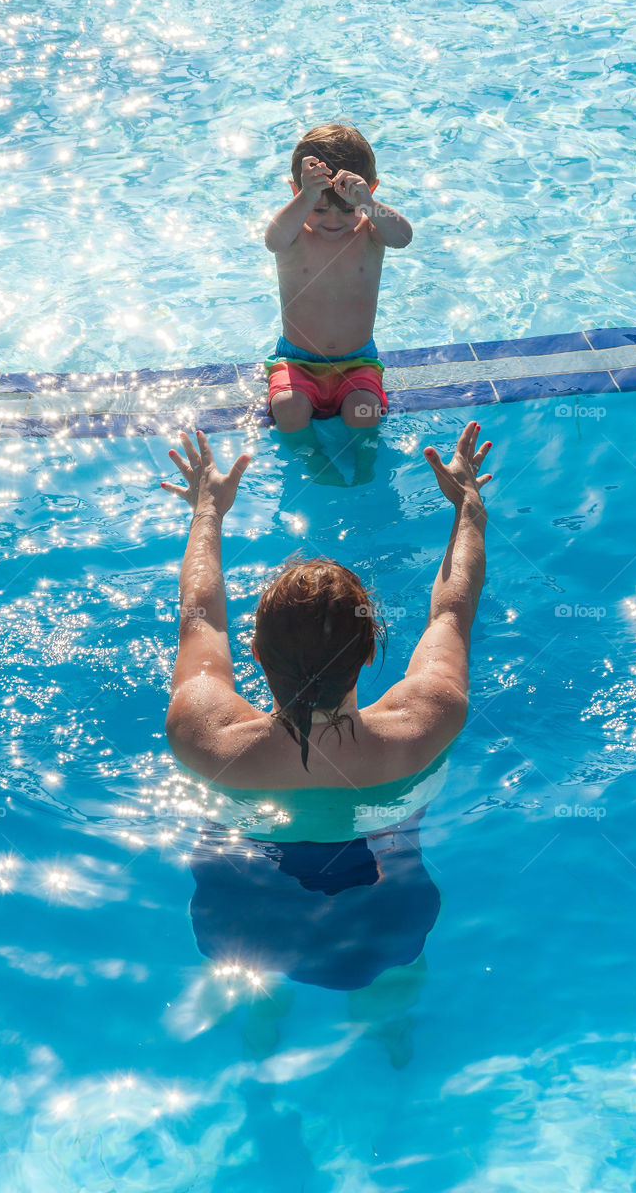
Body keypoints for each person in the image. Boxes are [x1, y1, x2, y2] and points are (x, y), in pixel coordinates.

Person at [161, 422, 491, 786]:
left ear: (255, 652)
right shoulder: (426, 721)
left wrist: (208, 510)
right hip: (385, 840)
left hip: (240, 842)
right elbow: (452, 613)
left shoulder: (203, 733)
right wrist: (468, 507)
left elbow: (202, 618)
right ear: (368, 653)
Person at [263, 123, 413, 435]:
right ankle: (314, 462)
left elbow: (403, 238)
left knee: (365, 412)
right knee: (289, 409)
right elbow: (272, 240)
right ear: (297, 192)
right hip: (297, 362)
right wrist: (306, 196)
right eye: (319, 209)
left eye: (347, 210)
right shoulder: (293, 238)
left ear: (369, 193)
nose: (333, 220)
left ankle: (363, 469)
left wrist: (368, 206)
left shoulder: (370, 234)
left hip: (357, 362)